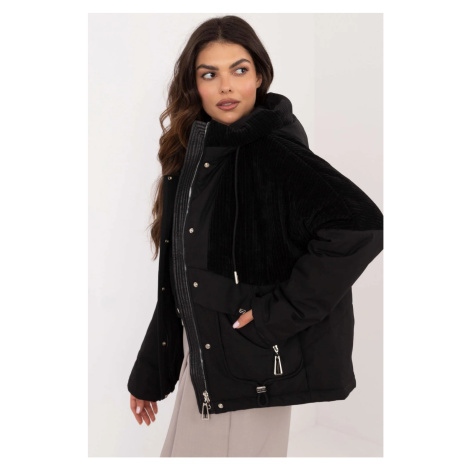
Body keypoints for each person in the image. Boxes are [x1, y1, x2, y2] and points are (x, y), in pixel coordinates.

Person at [127, 15, 384, 458]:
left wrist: (273, 317)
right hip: (208, 358)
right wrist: (153, 371)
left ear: (260, 76)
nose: (226, 86)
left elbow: (361, 227)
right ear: (194, 85)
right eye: (210, 74)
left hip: (248, 367)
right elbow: (181, 279)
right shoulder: (200, 160)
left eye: (239, 70)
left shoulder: (273, 151)